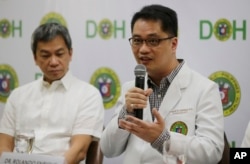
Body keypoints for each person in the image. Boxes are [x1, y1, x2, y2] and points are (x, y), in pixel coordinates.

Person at [100, 4, 224, 164]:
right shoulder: (131, 88)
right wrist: (126, 113)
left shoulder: (204, 89)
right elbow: (108, 149)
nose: (143, 49)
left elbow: (212, 152)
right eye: (137, 40)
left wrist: (162, 139)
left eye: (153, 41)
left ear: (173, 44)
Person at [0, 22, 104, 164]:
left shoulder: (88, 95)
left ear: (70, 53)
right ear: (35, 58)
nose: (53, 62)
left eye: (59, 54)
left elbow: (79, 151)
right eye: (45, 55)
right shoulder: (18, 96)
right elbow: (3, 145)